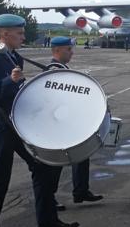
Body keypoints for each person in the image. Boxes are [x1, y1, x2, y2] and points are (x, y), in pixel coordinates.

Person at [0, 14, 78, 227]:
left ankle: (48, 222)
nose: (24, 36)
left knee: (43, 166)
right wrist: (9, 82)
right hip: (1, 126)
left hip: (17, 123)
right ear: (4, 34)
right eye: (20, 33)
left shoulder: (13, 57)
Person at [45, 36, 104, 206]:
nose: (72, 53)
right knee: (55, 164)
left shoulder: (61, 69)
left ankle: (81, 191)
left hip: (69, 123)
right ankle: (50, 199)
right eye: (68, 49)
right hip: (59, 125)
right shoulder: (53, 70)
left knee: (81, 155)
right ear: (57, 50)